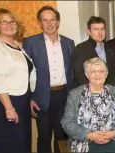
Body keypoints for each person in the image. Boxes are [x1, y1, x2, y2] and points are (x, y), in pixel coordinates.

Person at [0, 8, 36, 153]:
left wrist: (29, 98)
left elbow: (24, 75)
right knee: (8, 143)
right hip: (4, 101)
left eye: (12, 21)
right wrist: (9, 109)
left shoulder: (17, 46)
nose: (9, 24)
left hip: (21, 99)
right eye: (3, 22)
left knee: (22, 142)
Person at [23, 6, 74, 153]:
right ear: (40, 23)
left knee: (62, 136)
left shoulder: (68, 43)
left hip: (64, 95)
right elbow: (25, 73)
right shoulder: (30, 42)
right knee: (44, 136)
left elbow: (72, 71)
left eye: (52, 19)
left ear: (58, 22)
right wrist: (30, 98)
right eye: (45, 20)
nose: (49, 23)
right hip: (41, 97)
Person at [61, 57, 115, 152]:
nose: (97, 74)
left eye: (101, 71)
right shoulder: (75, 94)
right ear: (87, 74)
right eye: (93, 71)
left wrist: (113, 133)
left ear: (106, 74)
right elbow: (67, 122)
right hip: (85, 142)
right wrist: (89, 135)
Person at [72, 16, 115, 87]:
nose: (100, 33)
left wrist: (110, 90)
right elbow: (79, 75)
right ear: (89, 31)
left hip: (108, 92)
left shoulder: (110, 49)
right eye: (96, 29)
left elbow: (114, 74)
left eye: (102, 29)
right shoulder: (80, 49)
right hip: (89, 93)